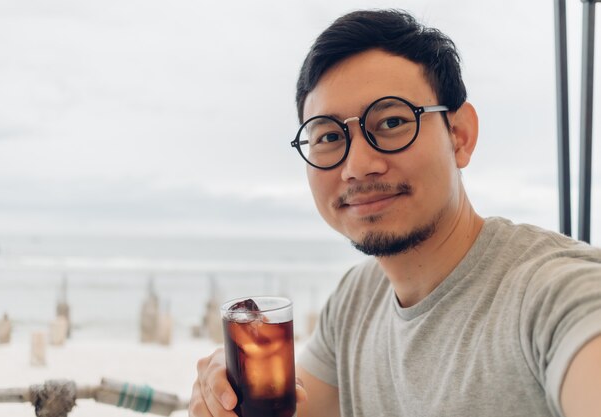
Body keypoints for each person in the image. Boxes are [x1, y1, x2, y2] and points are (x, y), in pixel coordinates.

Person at [190, 9, 601, 417]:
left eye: (390, 122)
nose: (358, 166)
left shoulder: (555, 294)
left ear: (460, 137)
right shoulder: (357, 300)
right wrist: (222, 397)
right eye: (330, 136)